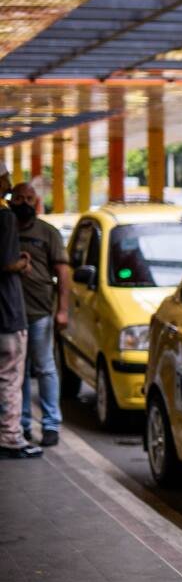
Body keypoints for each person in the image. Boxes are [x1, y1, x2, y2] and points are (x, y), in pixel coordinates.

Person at [13, 182, 70, 447]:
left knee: (45, 368)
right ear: (11, 201)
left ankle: (50, 424)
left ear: (36, 202)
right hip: (11, 314)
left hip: (40, 313)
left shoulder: (48, 233)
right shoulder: (6, 231)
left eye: (29, 198)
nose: (24, 203)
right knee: (18, 372)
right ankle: (22, 424)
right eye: (19, 198)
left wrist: (62, 310)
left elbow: (63, 273)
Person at [0, 163, 40, 459]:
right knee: (10, 378)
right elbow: (4, 263)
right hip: (8, 313)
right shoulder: (5, 217)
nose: (11, 183)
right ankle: (10, 437)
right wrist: (22, 264)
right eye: (7, 177)